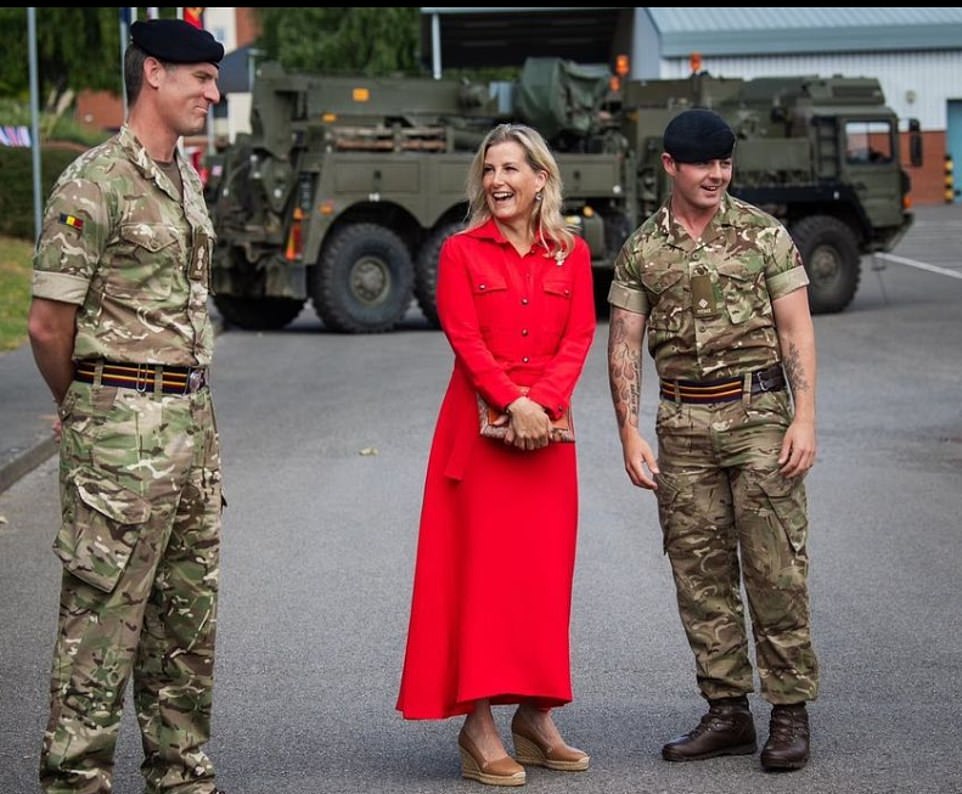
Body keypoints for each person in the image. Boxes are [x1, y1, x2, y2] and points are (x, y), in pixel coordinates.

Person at [27, 18, 228, 794]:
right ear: (153, 73)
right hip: (120, 436)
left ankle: (181, 774)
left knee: (187, 622)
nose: (212, 92)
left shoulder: (184, 179)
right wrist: (86, 407)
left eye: (213, 79)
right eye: (199, 78)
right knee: (102, 625)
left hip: (192, 430)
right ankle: (75, 779)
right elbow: (49, 324)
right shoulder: (93, 181)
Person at [606, 108, 819, 772]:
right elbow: (623, 345)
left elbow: (796, 333)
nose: (716, 175)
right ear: (671, 165)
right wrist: (629, 432)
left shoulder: (763, 235)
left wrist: (805, 416)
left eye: (725, 164)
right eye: (703, 164)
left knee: (774, 567)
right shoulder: (643, 248)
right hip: (683, 425)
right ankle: (726, 710)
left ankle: (788, 712)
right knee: (699, 572)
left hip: (760, 415)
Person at [396, 123, 596, 787]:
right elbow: (465, 337)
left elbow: (577, 339)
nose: (498, 181)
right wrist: (517, 403)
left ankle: (535, 719)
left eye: (512, 168)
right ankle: (477, 725)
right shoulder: (460, 252)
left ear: (542, 178)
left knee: (540, 580)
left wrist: (545, 402)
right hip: (480, 439)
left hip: (547, 439)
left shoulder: (573, 253)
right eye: (489, 169)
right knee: (477, 583)